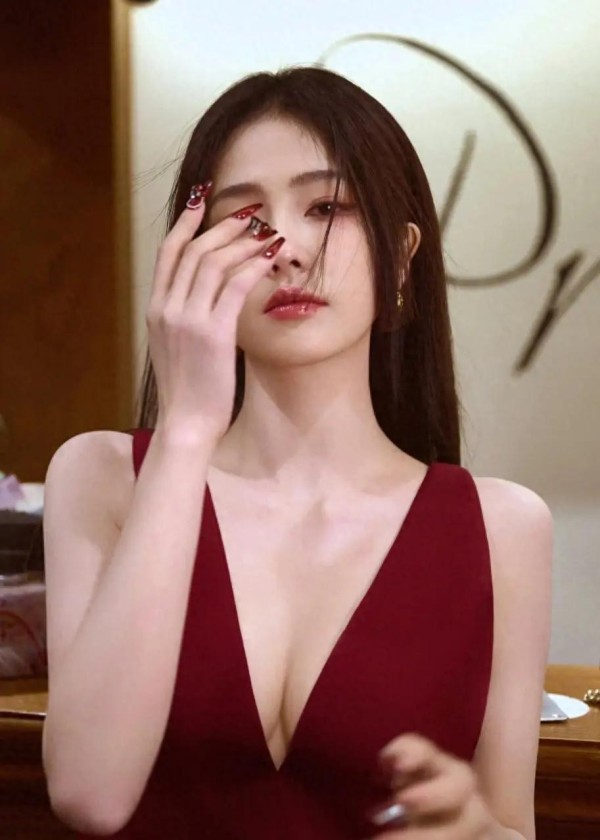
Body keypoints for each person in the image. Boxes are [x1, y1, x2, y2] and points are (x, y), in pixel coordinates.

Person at [41, 67, 553, 839]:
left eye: (327, 207)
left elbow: (509, 824)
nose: (286, 250)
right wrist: (186, 431)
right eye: (245, 219)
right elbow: (88, 795)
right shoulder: (102, 475)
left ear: (402, 256)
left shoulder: (503, 525)